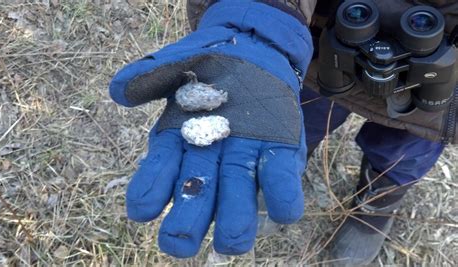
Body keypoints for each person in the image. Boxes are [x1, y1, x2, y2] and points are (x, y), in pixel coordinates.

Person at [109, 0, 457, 265]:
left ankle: (378, 202)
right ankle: (282, 164)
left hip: (442, 85)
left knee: (405, 153)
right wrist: (259, 20)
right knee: (296, 121)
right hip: (321, 44)